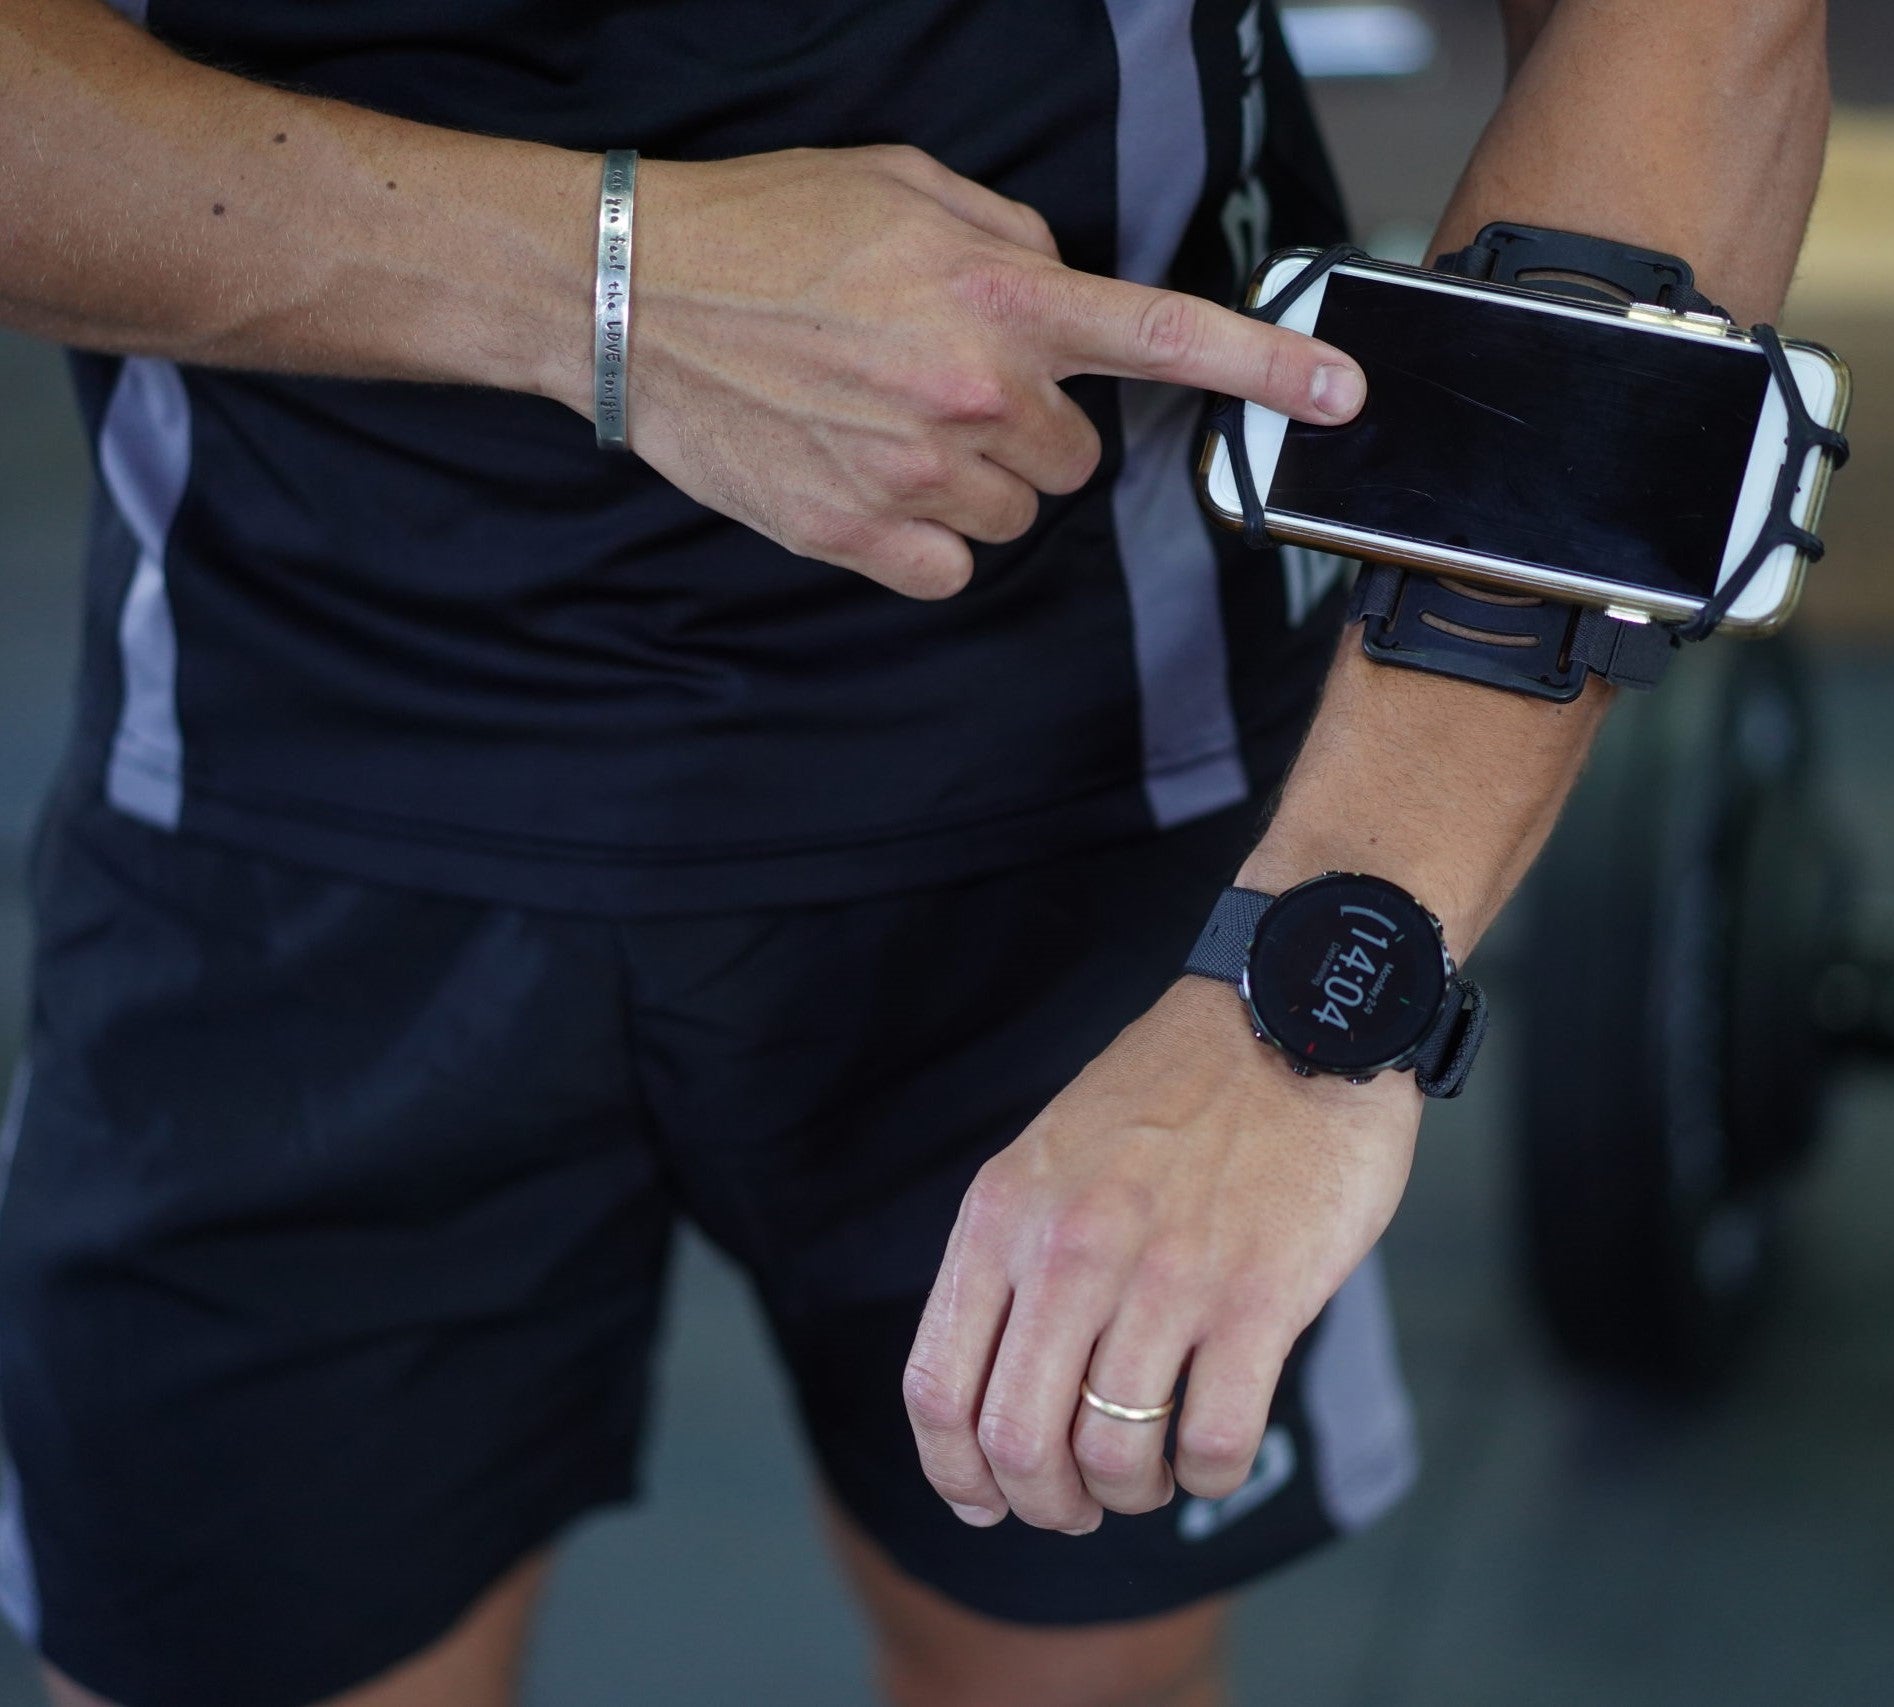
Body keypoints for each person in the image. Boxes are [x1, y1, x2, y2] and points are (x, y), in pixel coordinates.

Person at [0, 1, 1828, 1703]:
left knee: (1086, 1667)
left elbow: (1685, 30)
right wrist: (603, 280)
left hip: (1097, 770)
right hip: (284, 748)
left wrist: (1325, 960)